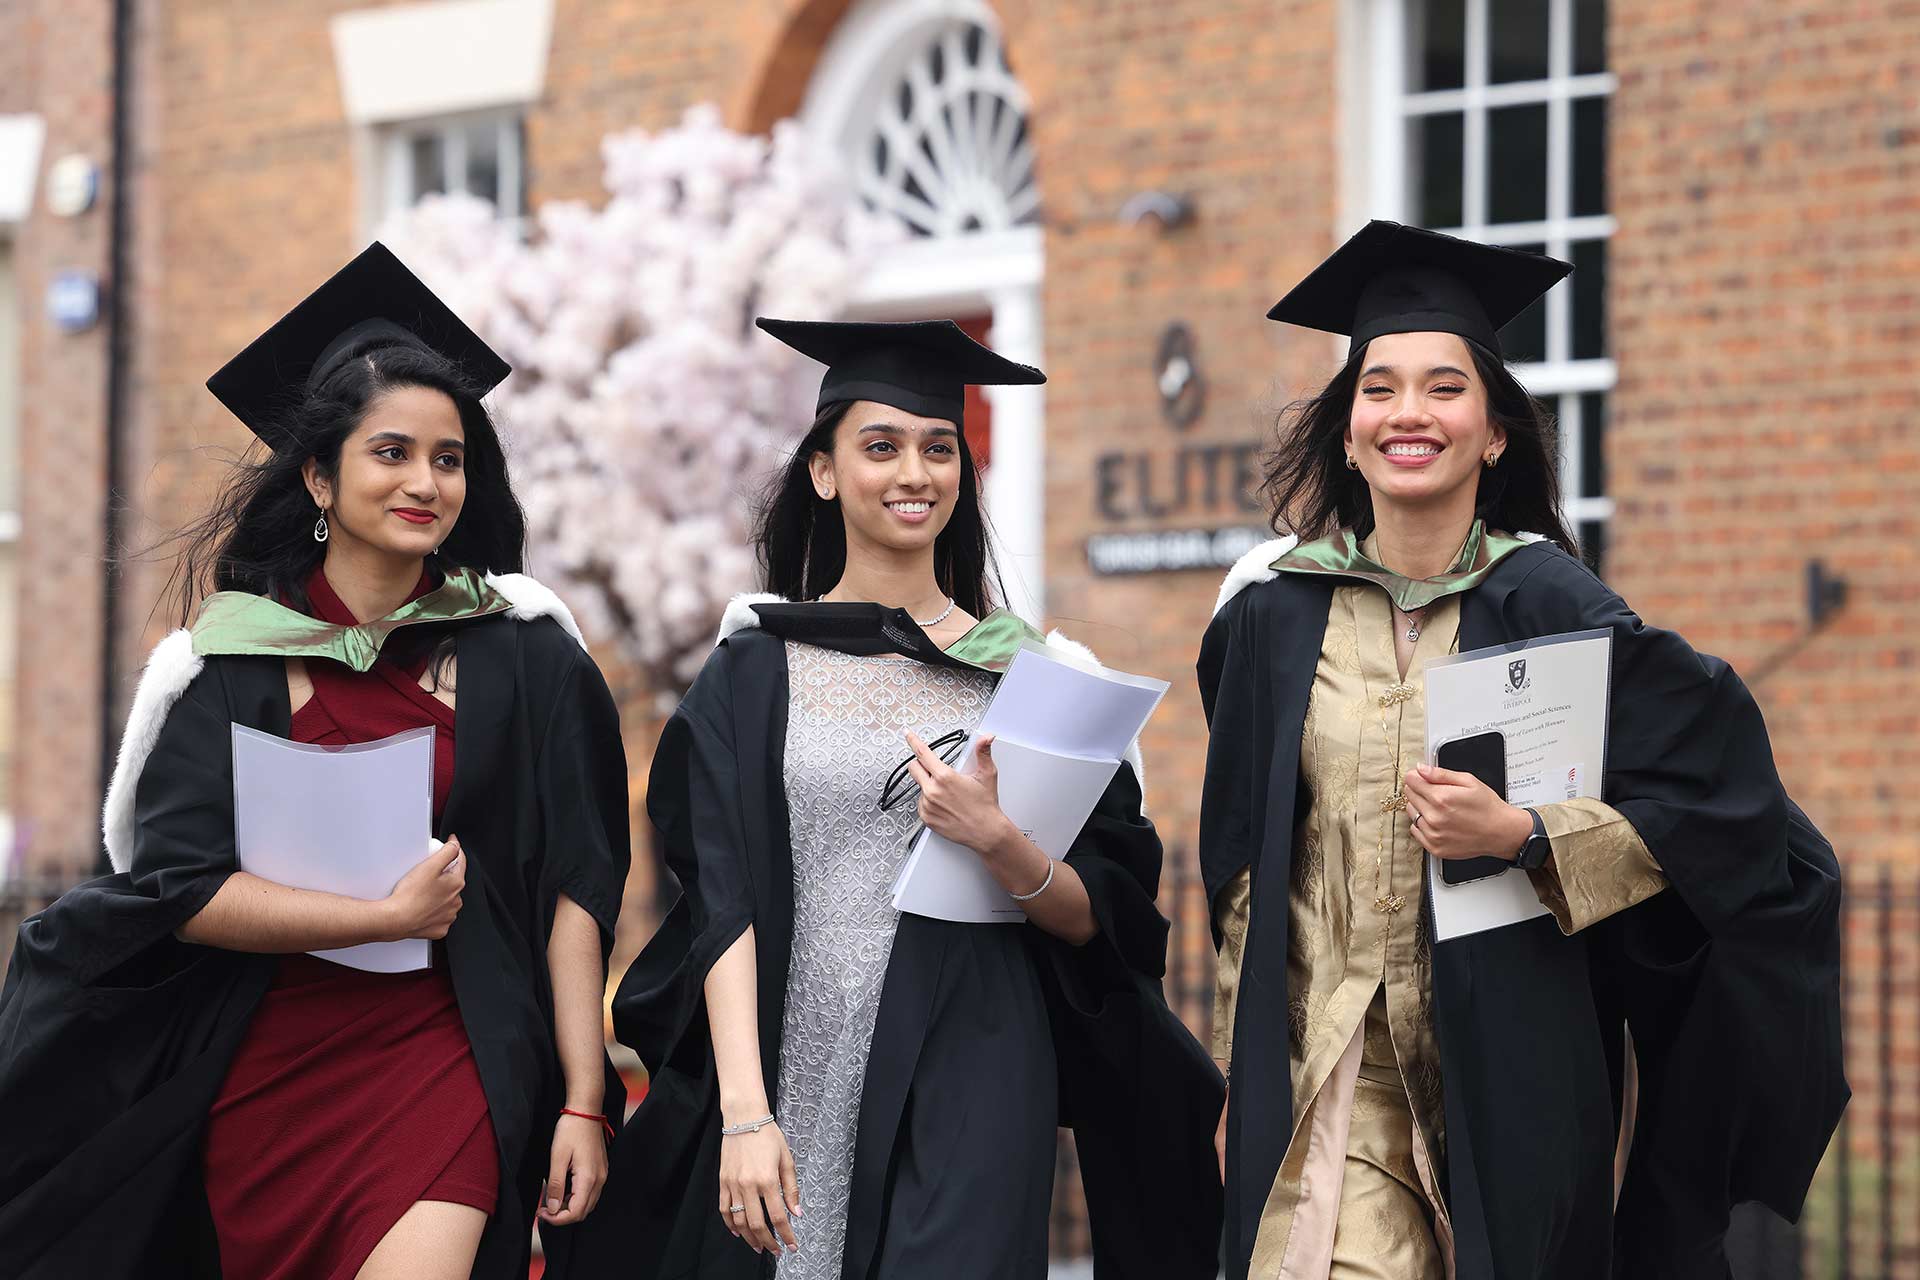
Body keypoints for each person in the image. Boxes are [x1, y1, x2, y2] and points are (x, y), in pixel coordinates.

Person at [1199, 221, 1846, 1280]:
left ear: (1495, 432)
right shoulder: (1272, 619)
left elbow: (1722, 813)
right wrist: (1239, 1072)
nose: (1410, 411)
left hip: (1511, 1068)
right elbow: (1240, 867)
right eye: (1380, 388)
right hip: (1332, 1071)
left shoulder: (1550, 600)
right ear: (1349, 431)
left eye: (1445, 387)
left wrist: (1530, 833)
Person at [0, 244, 630, 1280]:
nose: (426, 481)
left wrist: (581, 1093)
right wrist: (379, 917)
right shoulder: (224, 663)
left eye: (450, 456)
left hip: (450, 1046)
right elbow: (183, 886)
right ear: (319, 475)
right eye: (392, 452)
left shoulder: (527, 650)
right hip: (270, 1066)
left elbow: (579, 884)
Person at [564, 319, 1222, 1280]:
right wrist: (745, 1109)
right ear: (825, 473)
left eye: (938, 448)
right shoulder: (754, 675)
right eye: (881, 447)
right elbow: (723, 904)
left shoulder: (1029, 678)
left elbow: (1110, 919)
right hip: (801, 1047)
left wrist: (1005, 845)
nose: (914, 472)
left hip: (981, 1051)